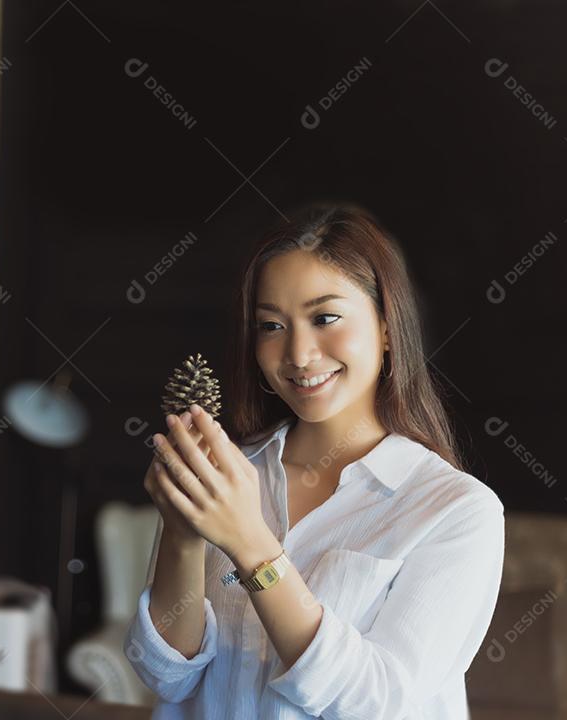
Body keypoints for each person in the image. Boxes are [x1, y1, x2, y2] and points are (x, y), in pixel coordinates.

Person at [123, 202, 505, 719]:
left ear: (387, 326)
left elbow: (379, 703)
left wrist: (250, 544)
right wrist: (183, 534)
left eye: (325, 318)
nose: (299, 354)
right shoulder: (226, 476)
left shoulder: (457, 510)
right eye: (271, 326)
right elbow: (165, 676)